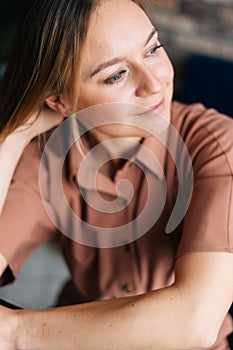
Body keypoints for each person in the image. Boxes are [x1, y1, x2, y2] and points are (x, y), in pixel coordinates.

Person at [0, 0, 232, 349]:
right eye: (116, 75)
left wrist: (14, 332)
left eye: (153, 49)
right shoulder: (47, 155)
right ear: (59, 102)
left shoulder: (218, 143)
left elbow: (194, 321)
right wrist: (16, 131)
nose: (154, 83)